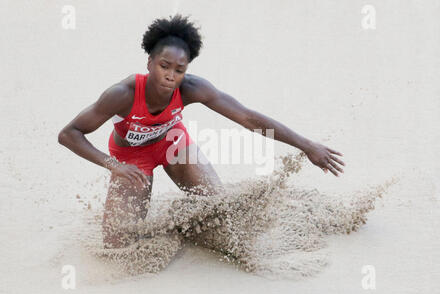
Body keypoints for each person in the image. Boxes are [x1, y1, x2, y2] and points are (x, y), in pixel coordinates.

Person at [58, 14, 345, 249]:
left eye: (179, 69)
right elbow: (69, 134)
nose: (171, 75)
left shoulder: (193, 88)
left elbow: (246, 117)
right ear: (149, 63)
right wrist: (115, 166)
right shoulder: (122, 94)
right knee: (116, 244)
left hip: (172, 144)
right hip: (131, 158)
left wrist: (306, 145)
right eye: (164, 66)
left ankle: (187, 224)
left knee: (220, 215)